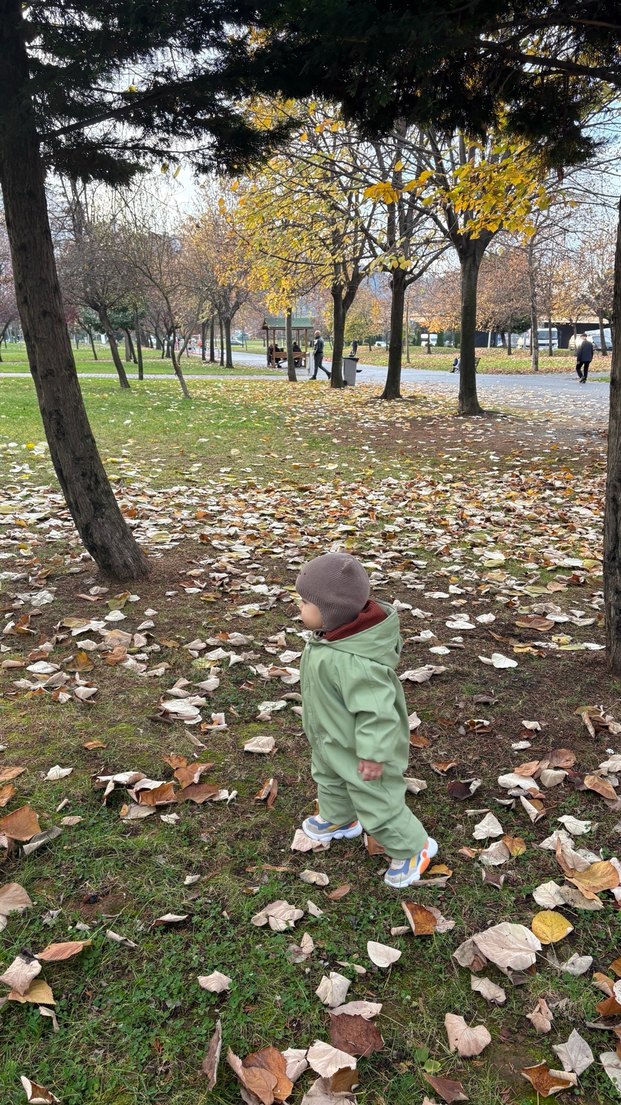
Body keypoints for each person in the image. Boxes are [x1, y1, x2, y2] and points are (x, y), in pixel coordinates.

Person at [296, 552, 438, 888]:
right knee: (329, 777)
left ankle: (413, 847)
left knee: (376, 798)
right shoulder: (328, 642)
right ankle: (340, 819)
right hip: (332, 738)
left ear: (330, 612)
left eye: (305, 602)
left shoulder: (357, 663)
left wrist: (374, 753)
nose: (298, 608)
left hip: (364, 751)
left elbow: (378, 714)